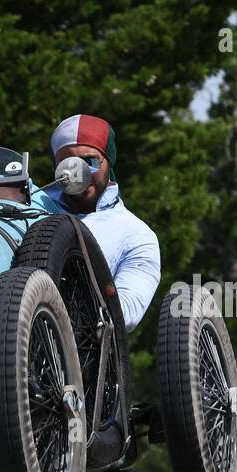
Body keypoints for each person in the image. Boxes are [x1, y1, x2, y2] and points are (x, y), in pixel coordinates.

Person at [43, 114, 160, 331]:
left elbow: (128, 312)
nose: (79, 174)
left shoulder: (136, 234)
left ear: (109, 161)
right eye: (68, 164)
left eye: (90, 162)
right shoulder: (32, 207)